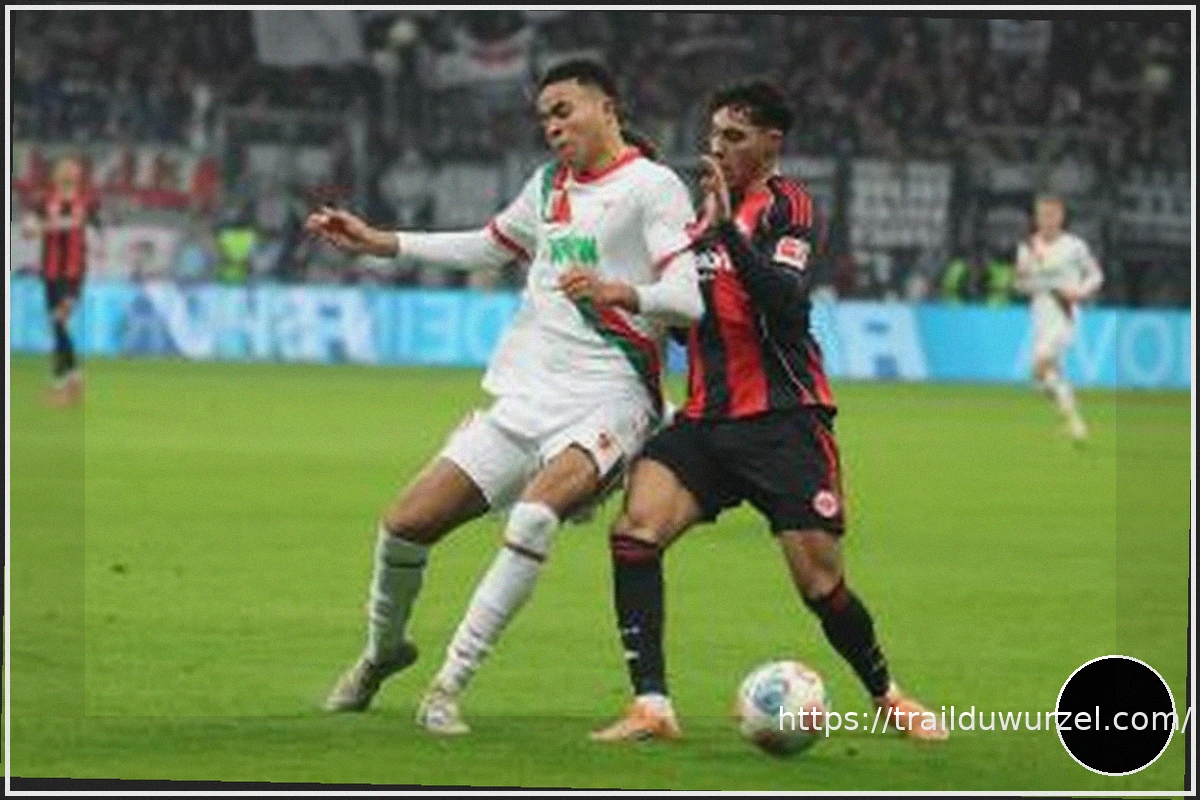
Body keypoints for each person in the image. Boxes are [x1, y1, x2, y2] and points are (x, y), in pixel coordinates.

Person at [305, 59, 703, 735]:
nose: (552, 126)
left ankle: (447, 686)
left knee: (534, 519)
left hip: (611, 397)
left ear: (608, 107)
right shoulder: (548, 186)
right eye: (545, 117)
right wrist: (384, 243)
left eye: (564, 110)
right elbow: (487, 246)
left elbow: (688, 300)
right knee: (404, 524)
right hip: (528, 395)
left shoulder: (653, 186)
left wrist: (618, 292)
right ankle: (382, 653)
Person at [587, 81, 948, 743]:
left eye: (734, 136)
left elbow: (787, 304)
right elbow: (681, 319)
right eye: (714, 135)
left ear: (771, 143)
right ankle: (652, 706)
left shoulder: (788, 206)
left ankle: (887, 695)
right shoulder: (692, 220)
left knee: (820, 585)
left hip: (784, 422)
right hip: (706, 421)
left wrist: (729, 229)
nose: (718, 148)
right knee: (635, 532)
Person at [1014, 195, 1103, 442]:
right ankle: (1072, 420)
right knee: (1043, 378)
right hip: (1040, 314)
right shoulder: (1028, 247)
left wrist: (1079, 292)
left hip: (1064, 313)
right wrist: (1024, 281)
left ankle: (1076, 424)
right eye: (1043, 215)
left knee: (1042, 365)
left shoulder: (1074, 247)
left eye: (1052, 215)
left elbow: (1096, 276)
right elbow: (1021, 285)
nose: (1047, 220)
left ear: (1061, 217)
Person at [21, 155, 99, 406]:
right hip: (50, 272)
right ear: (55, 174)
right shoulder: (44, 200)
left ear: (78, 175)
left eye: (72, 169)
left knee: (60, 320)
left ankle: (60, 384)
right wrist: (41, 227)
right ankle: (73, 379)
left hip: (73, 272)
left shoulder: (86, 201)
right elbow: (28, 229)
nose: (68, 172)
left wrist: (92, 239)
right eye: (63, 168)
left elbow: (94, 229)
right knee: (58, 326)